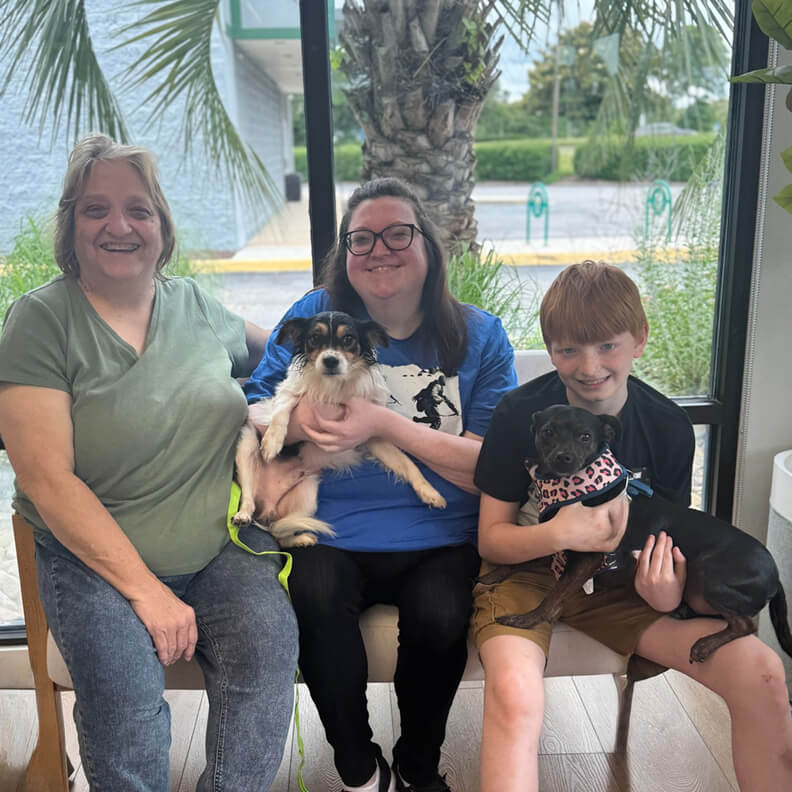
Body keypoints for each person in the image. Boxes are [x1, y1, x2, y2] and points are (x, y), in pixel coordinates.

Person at [0, 134, 300, 792]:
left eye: (139, 209)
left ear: (161, 226)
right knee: (124, 696)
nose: (119, 225)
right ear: (69, 225)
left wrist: (283, 422)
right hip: (91, 563)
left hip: (217, 545)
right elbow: (47, 480)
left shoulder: (198, 308)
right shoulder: (40, 322)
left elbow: (292, 354)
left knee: (267, 647)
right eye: (95, 209)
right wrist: (149, 593)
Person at [470, 259, 792, 791]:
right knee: (514, 690)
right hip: (525, 571)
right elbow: (492, 539)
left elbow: (669, 535)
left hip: (620, 584)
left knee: (761, 673)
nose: (589, 365)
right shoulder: (519, 414)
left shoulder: (666, 425)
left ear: (639, 339)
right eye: (569, 348)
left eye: (607, 346)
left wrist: (666, 591)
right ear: (550, 349)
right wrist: (559, 533)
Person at [244, 177, 517, 792]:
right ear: (344, 254)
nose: (379, 250)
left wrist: (383, 423)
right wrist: (298, 428)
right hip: (329, 526)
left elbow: (490, 465)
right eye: (360, 239)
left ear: (429, 249)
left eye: (399, 234)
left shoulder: (479, 335)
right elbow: (256, 404)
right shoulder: (315, 317)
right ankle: (358, 766)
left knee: (443, 609)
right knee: (312, 594)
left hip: (441, 532)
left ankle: (419, 767)